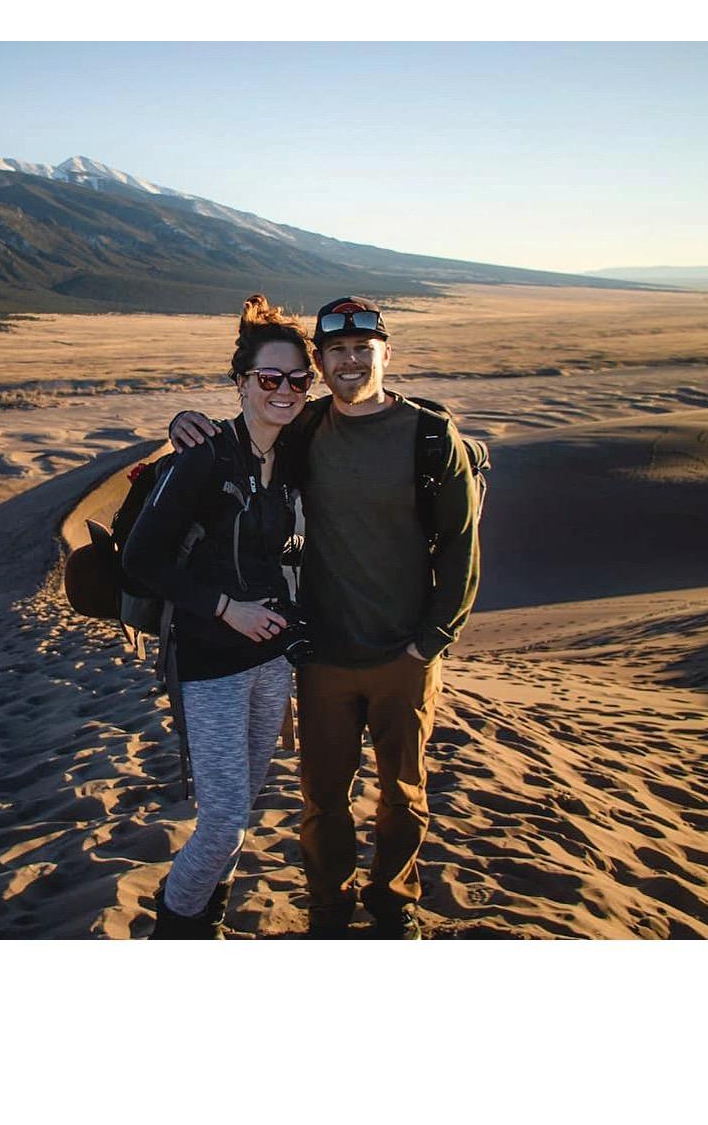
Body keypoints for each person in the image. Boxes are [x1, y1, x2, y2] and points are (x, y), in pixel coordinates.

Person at [169, 296, 480, 939]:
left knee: (403, 795)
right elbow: (243, 436)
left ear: (385, 353)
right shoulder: (305, 428)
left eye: (363, 348)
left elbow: (460, 546)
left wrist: (433, 640)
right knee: (322, 802)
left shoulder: (428, 435)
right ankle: (330, 914)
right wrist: (184, 423)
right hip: (323, 658)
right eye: (335, 350)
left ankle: (394, 907)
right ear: (321, 361)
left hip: (405, 656)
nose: (349, 360)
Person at [123, 294, 312, 939]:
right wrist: (226, 609)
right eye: (268, 378)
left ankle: (206, 922)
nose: (282, 391)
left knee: (243, 808)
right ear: (241, 383)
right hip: (212, 663)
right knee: (225, 821)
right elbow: (141, 559)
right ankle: (174, 933)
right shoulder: (205, 455)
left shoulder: (295, 451)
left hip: (272, 660)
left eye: (296, 379)